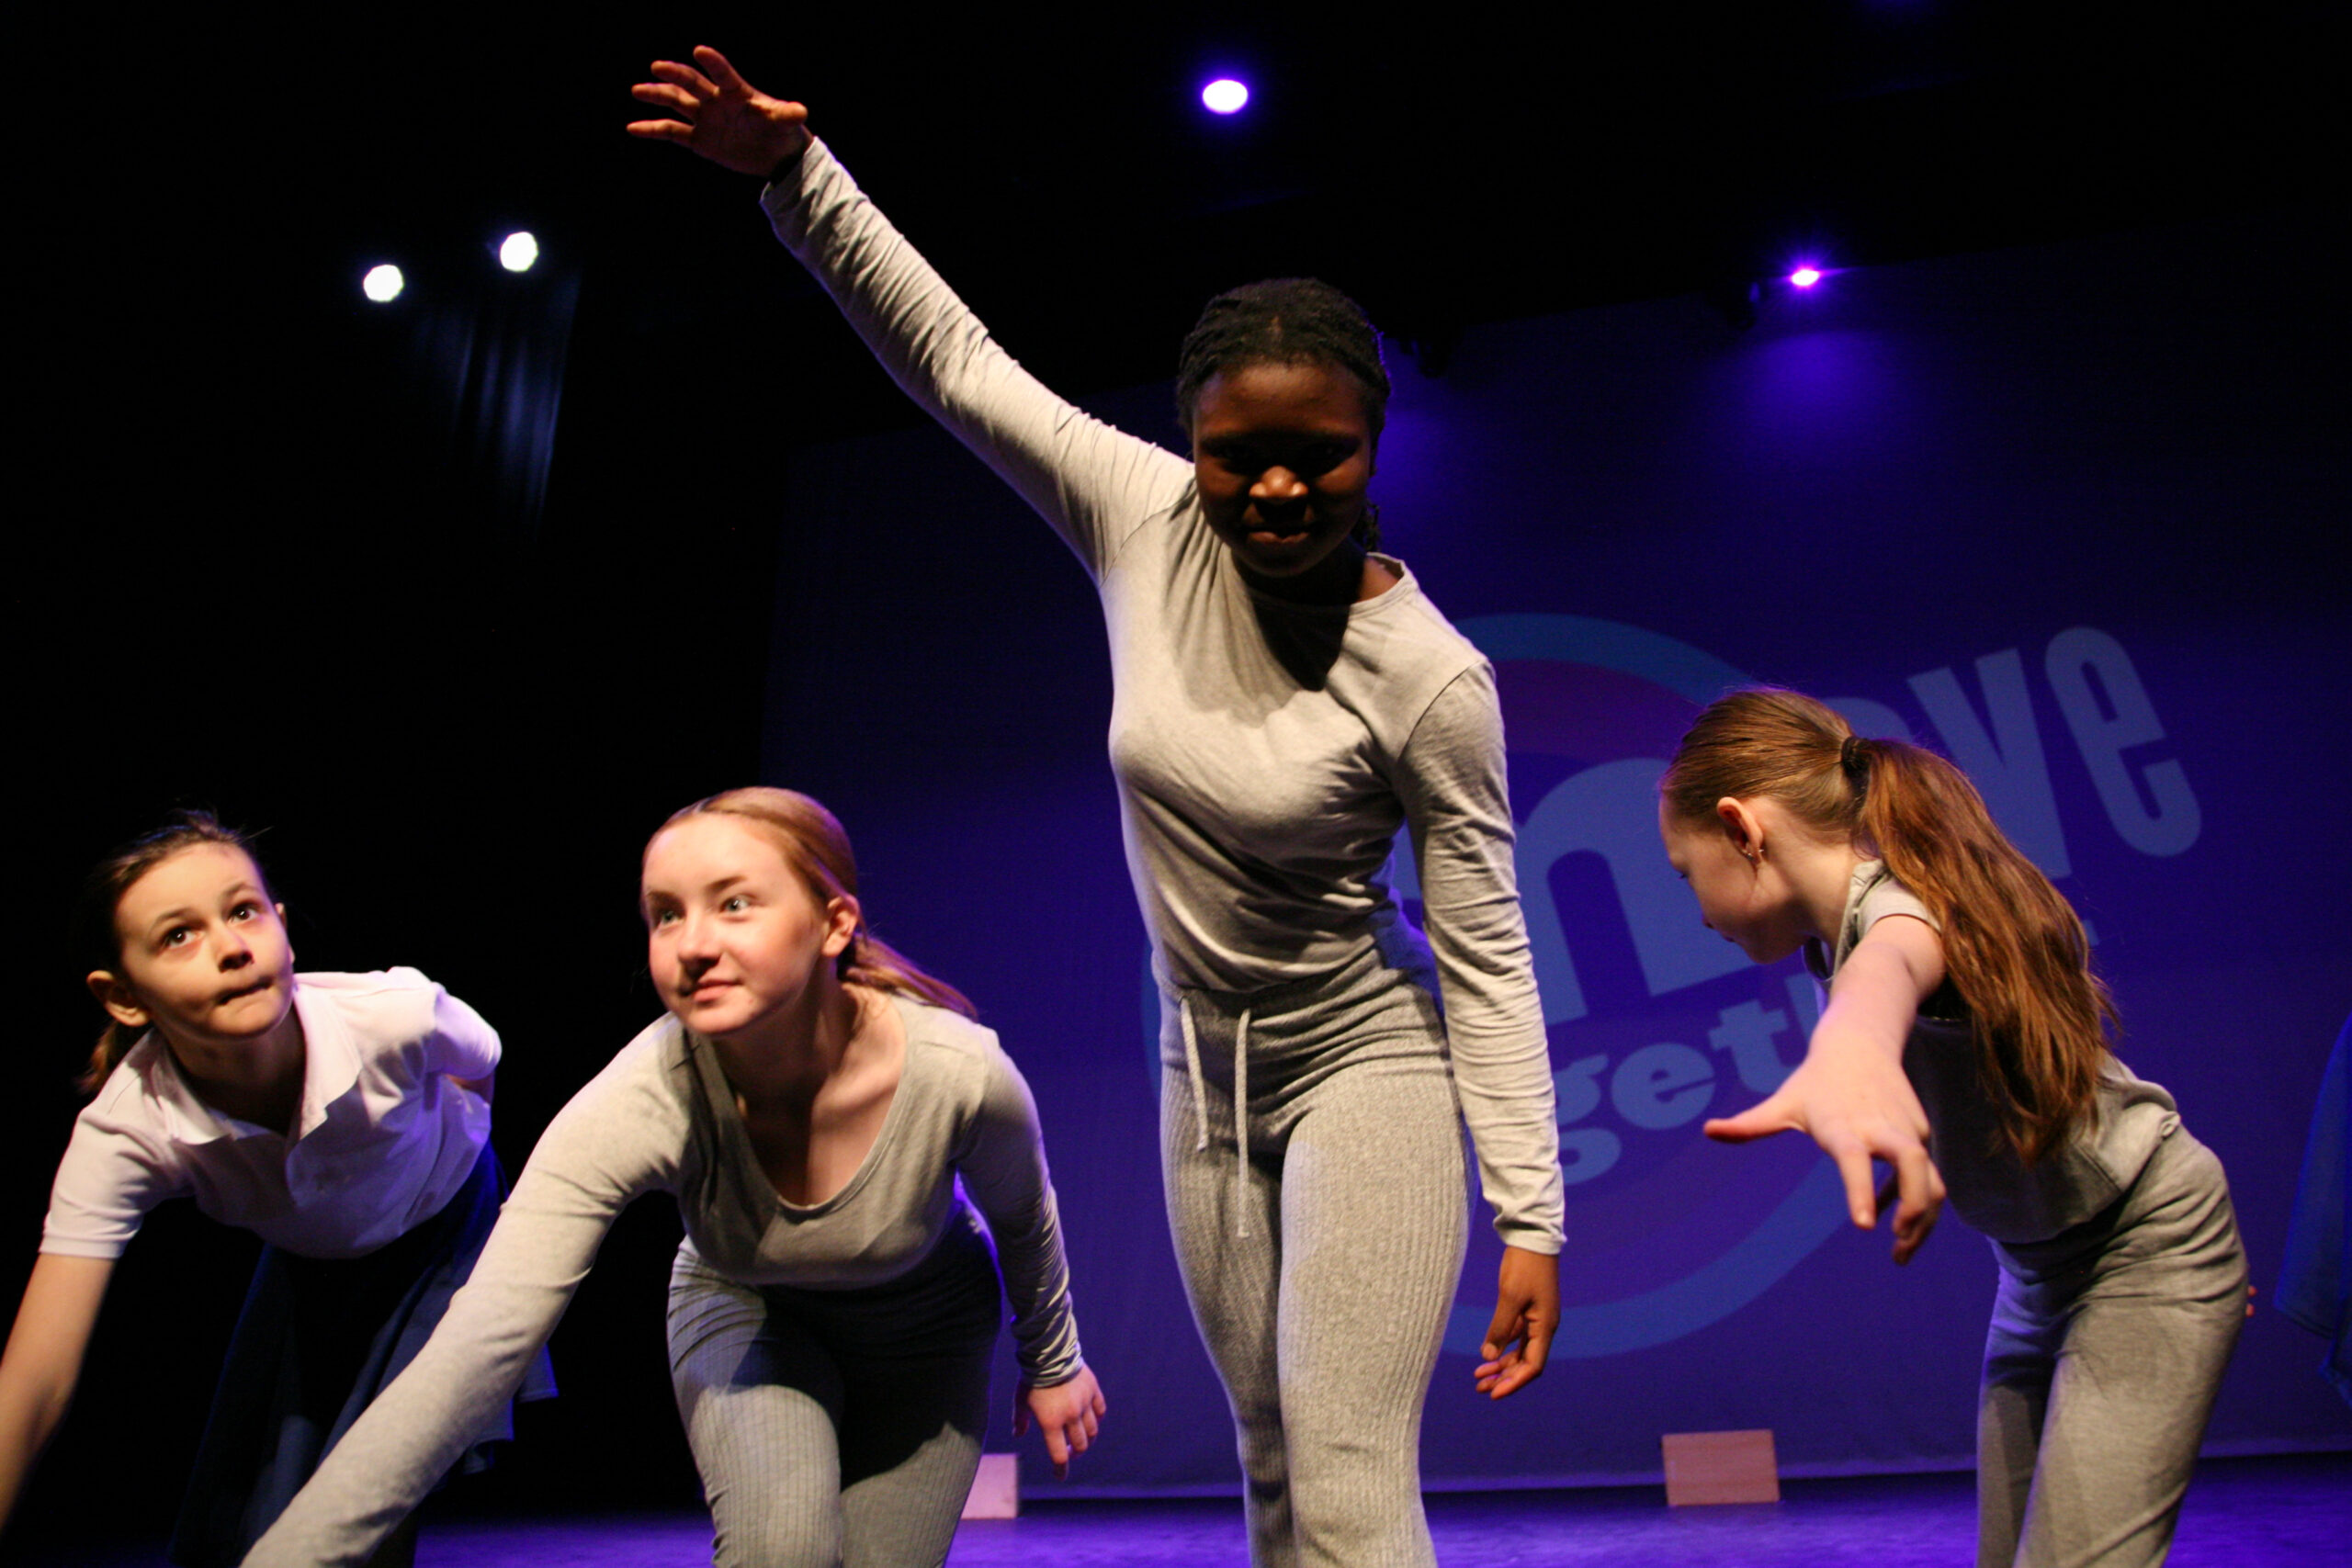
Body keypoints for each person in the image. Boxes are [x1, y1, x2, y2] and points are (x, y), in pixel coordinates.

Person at [625, 47, 1564, 1568]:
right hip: (1204, 1074)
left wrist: (1533, 1211)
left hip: (1368, 1060)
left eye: (1316, 456)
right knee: (1272, 1456)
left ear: (1373, 446)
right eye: (1236, 457)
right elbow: (956, 362)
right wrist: (797, 176)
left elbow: (1488, 951)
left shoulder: (1430, 678)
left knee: (1344, 1469)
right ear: (1192, 447)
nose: (1274, 489)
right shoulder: (1144, 518)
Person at [246, 788, 1102, 1568]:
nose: (693, 945)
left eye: (735, 904)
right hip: (749, 1311)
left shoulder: (959, 1072)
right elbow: (480, 1340)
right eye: (665, 914)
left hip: (928, 1331)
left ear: (834, 922)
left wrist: (1053, 1361)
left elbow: (1023, 1216)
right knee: (783, 1552)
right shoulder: (645, 1094)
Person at [1659, 688, 2245, 1568]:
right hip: (2038, 1273)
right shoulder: (1837, 934)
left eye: (1684, 872)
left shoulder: (1899, 908)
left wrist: (1850, 1047)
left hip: (2142, 1244)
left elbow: (1891, 968)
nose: (1697, 910)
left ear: (1743, 829)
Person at [0, 813, 543, 1568]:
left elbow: (478, 1061)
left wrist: (459, 1154)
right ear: (123, 995)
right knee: (254, 1513)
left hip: (445, 1233)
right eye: (178, 935)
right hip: (311, 1269)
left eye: (243, 911)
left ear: (282, 929)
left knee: (371, 1491)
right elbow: (37, 1374)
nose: (231, 946)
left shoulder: (392, 1016)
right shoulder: (128, 1128)